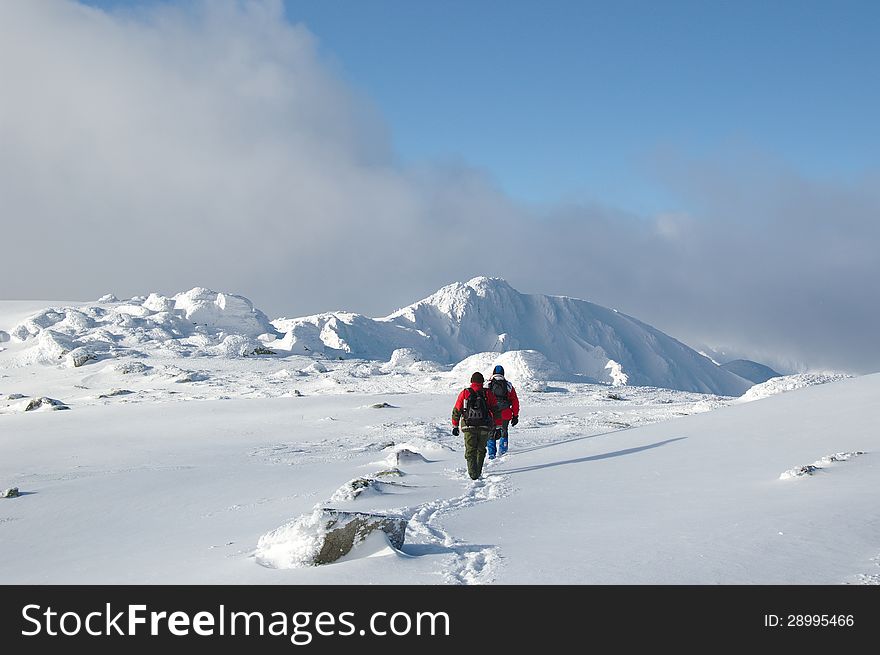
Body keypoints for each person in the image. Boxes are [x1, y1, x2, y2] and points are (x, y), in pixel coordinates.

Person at [451, 371, 503, 480]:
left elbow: (457, 410)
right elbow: (496, 410)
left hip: (468, 426)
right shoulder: (487, 393)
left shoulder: (465, 393)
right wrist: (498, 426)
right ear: (482, 382)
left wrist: (455, 426)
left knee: (470, 450)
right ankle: (477, 472)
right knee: (481, 449)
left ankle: (472, 473)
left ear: (471, 382)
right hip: (484, 426)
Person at [485, 364, 519, 458]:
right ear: (503, 373)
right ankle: (503, 452)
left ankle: (491, 454)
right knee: (504, 431)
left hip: (492, 413)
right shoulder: (508, 385)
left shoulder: (488, 384)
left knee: (491, 432)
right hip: (506, 413)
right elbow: (515, 401)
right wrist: (515, 415)